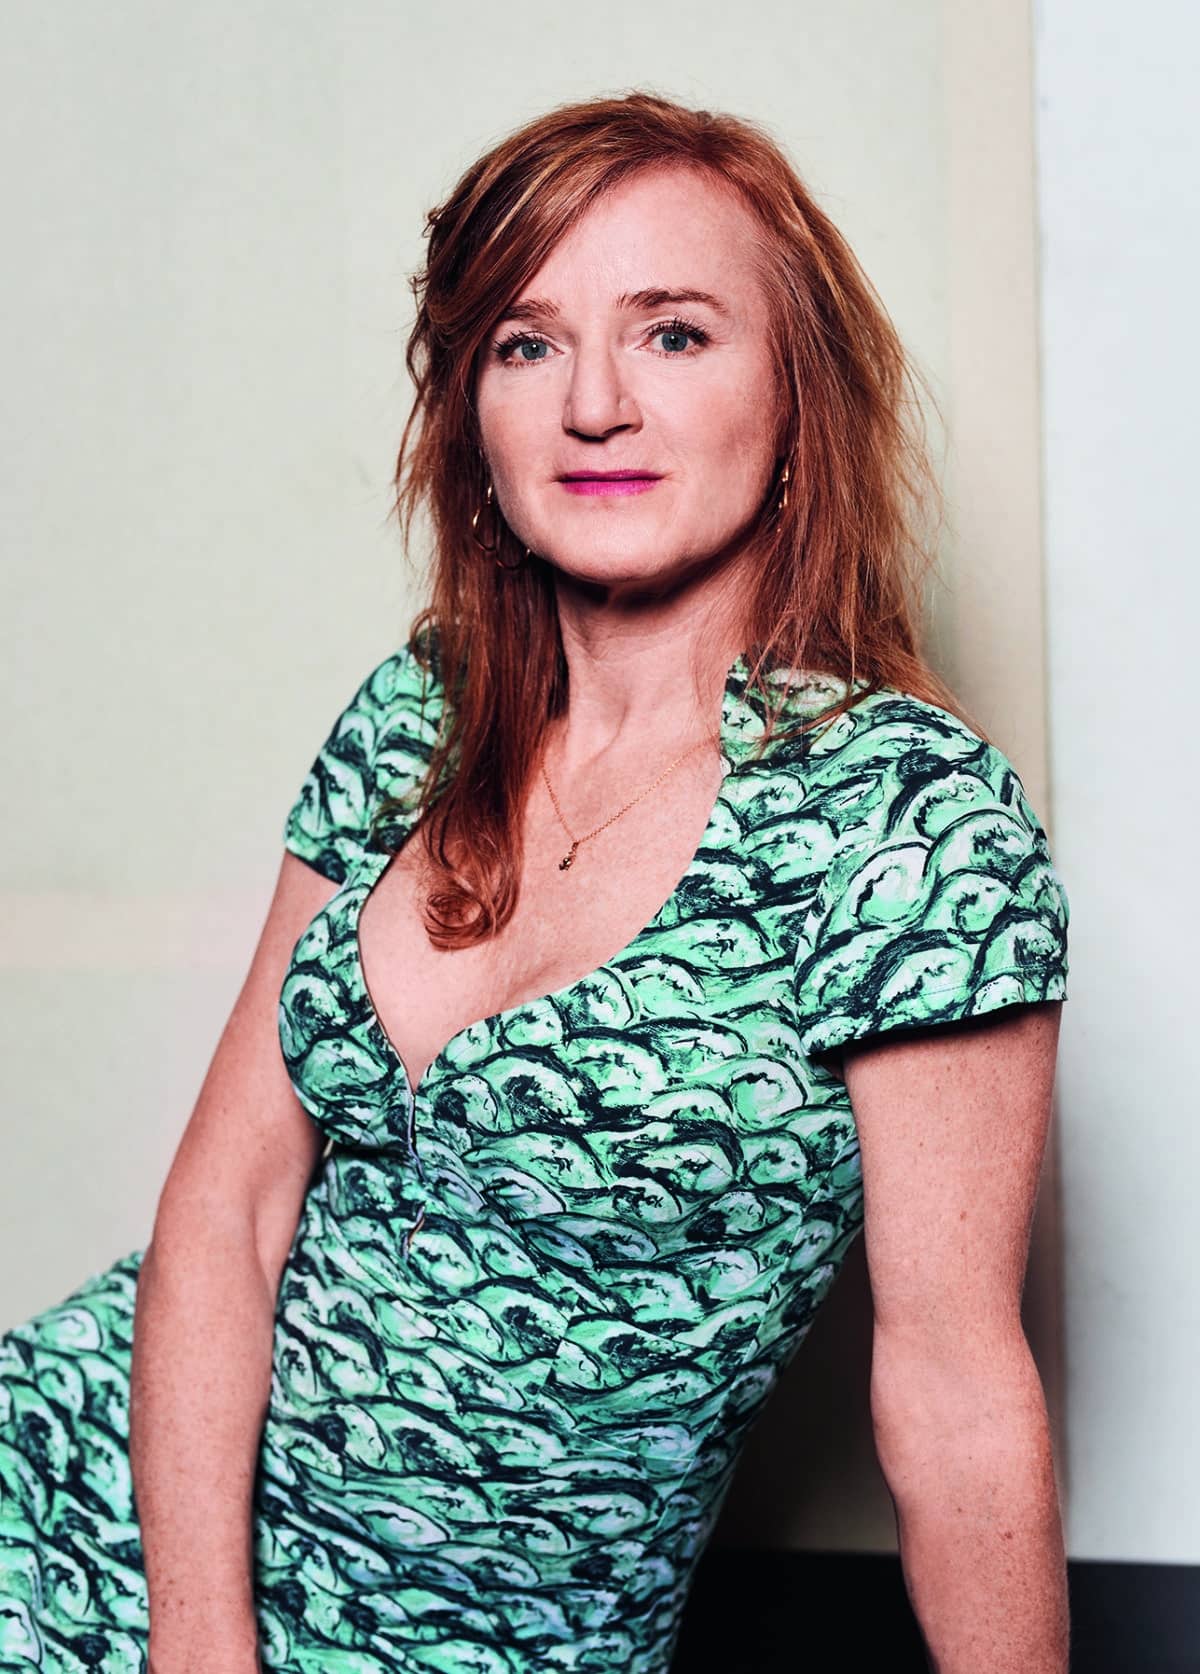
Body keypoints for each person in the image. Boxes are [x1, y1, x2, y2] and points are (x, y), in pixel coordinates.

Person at [0, 91, 1071, 1674]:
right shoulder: (419, 713)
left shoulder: (906, 820)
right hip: (102, 1507)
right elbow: (226, 1209)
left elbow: (957, 1391)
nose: (594, 404)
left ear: (798, 397)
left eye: (673, 333)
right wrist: (199, 1637)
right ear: (474, 419)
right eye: (526, 342)